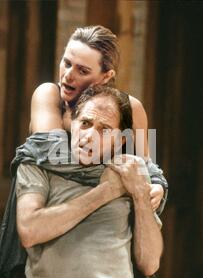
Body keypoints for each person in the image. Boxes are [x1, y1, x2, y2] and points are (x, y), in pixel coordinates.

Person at [16, 85, 163, 278]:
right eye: (85, 123)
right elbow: (29, 231)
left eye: (104, 129)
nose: (89, 136)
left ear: (121, 140)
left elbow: (149, 263)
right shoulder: (38, 164)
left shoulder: (130, 171)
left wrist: (140, 193)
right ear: (71, 123)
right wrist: (107, 191)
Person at [29, 25, 168, 212]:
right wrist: (121, 181)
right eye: (67, 63)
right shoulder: (48, 95)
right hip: (49, 212)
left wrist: (157, 187)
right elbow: (55, 159)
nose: (68, 75)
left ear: (106, 76)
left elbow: (147, 167)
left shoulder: (132, 108)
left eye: (82, 71)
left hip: (107, 223)